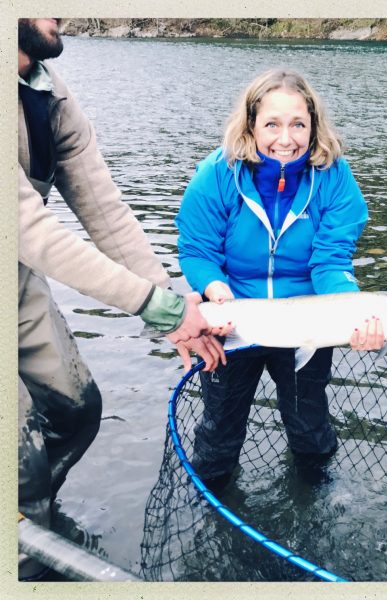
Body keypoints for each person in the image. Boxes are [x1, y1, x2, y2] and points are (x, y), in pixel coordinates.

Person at [17, 18, 229, 579]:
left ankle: (31, 521)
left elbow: (105, 212)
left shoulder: (49, 92)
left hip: (16, 286)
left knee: (76, 411)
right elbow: (30, 228)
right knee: (17, 463)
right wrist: (158, 308)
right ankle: (25, 559)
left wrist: (174, 307)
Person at [175, 68, 385, 492]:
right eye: (272, 124)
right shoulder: (216, 175)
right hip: (234, 322)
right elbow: (198, 251)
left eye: (298, 125)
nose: (285, 139)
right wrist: (216, 291)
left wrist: (353, 313)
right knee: (218, 432)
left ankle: (312, 496)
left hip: (307, 325)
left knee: (310, 427)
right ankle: (215, 499)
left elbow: (331, 260)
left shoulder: (334, 177)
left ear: (314, 126)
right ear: (251, 124)